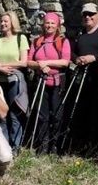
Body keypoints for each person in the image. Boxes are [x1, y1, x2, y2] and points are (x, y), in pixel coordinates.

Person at [70, 3, 98, 155]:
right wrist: (77, 59)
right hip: (81, 79)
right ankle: (83, 146)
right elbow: (72, 52)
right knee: (82, 112)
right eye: (85, 15)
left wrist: (94, 58)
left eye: (91, 14)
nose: (87, 17)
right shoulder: (79, 33)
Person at [26, 12, 71, 155]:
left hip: (58, 82)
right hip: (41, 82)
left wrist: (46, 63)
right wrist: (40, 66)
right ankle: (43, 144)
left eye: (52, 23)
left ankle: (55, 145)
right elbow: (28, 61)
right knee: (42, 115)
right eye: (47, 23)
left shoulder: (63, 41)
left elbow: (65, 62)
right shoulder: (37, 41)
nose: (49, 25)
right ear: (43, 24)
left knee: (57, 115)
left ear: (57, 25)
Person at [0, 11, 30, 149]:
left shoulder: (21, 38)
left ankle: (16, 147)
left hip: (14, 80)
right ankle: (3, 146)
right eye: (1, 21)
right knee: (1, 114)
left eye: (6, 21)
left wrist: (2, 65)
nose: (3, 23)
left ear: (13, 22)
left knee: (15, 114)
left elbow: (24, 63)